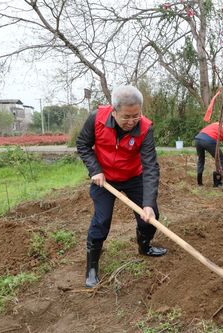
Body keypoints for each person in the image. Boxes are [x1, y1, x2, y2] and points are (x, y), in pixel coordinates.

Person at [76, 85, 167, 288]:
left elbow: (151, 166)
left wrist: (149, 203)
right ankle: (91, 268)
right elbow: (83, 144)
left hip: (134, 177)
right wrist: (95, 170)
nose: (131, 121)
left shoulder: (145, 128)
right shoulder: (96, 119)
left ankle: (144, 246)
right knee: (102, 220)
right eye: (126, 116)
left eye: (136, 115)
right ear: (114, 110)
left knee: (150, 217)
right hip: (104, 178)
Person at [195, 121, 223, 187]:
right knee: (222, 160)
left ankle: (199, 182)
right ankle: (218, 183)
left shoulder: (219, 123)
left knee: (201, 160)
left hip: (198, 139)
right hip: (208, 140)